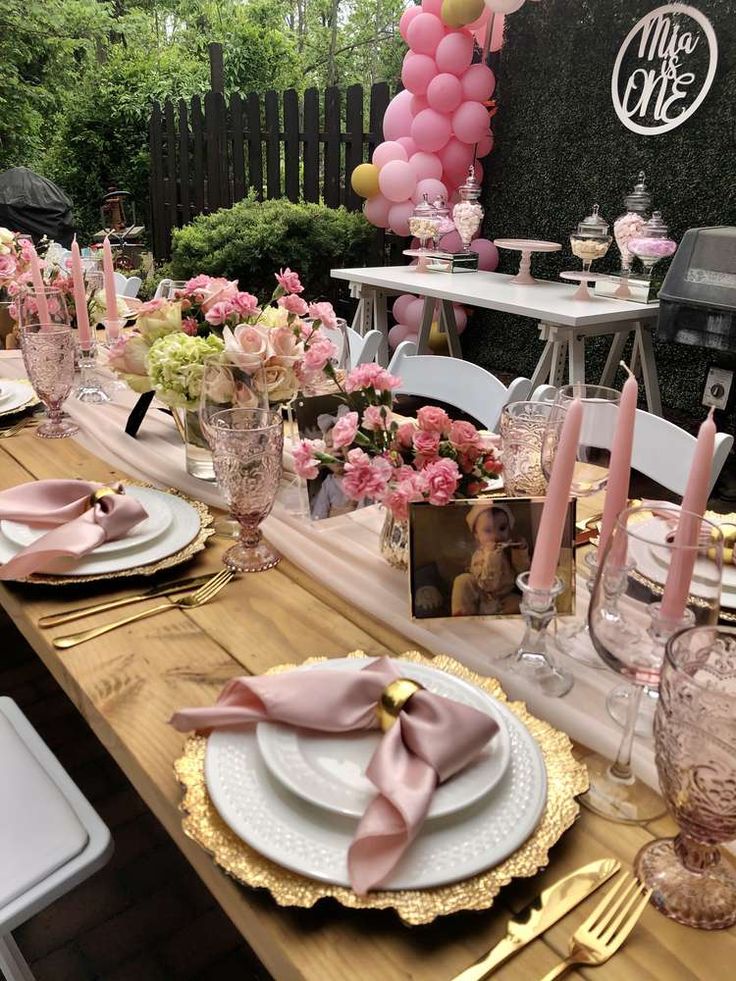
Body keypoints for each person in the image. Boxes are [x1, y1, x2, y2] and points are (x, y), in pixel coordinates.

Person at [451, 502, 530, 616]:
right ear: (476, 535)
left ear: (510, 528)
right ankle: (462, 615)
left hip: (504, 597)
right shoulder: (479, 555)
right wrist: (492, 555)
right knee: (462, 581)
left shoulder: (509, 551)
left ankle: (502, 620)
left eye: (502, 528)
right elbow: (487, 584)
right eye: (488, 530)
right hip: (481, 594)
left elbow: (523, 573)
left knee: (520, 602)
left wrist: (520, 551)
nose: (496, 535)